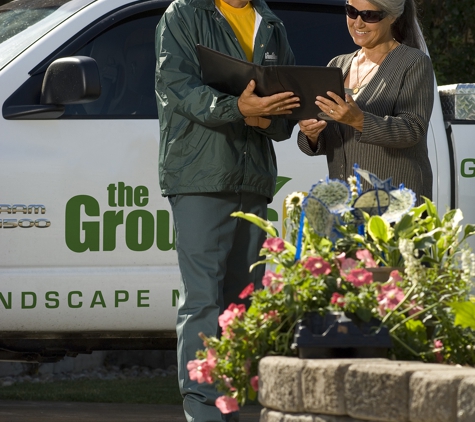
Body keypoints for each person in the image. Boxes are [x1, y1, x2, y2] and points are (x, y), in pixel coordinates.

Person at [155, 0, 299, 420]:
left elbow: (286, 114)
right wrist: (238, 109)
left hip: (252, 180)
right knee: (203, 301)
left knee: (242, 304)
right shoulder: (184, 14)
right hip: (201, 177)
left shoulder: (271, 23)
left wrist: (266, 119)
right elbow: (176, 85)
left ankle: (232, 406)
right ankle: (204, 411)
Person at [298, 0, 434, 204]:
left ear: (392, 17)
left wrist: (359, 120)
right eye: (351, 12)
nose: (358, 23)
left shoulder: (414, 62)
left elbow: (413, 129)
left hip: (395, 205)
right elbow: (332, 137)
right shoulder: (337, 64)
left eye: (369, 15)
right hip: (345, 205)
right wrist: (312, 134)